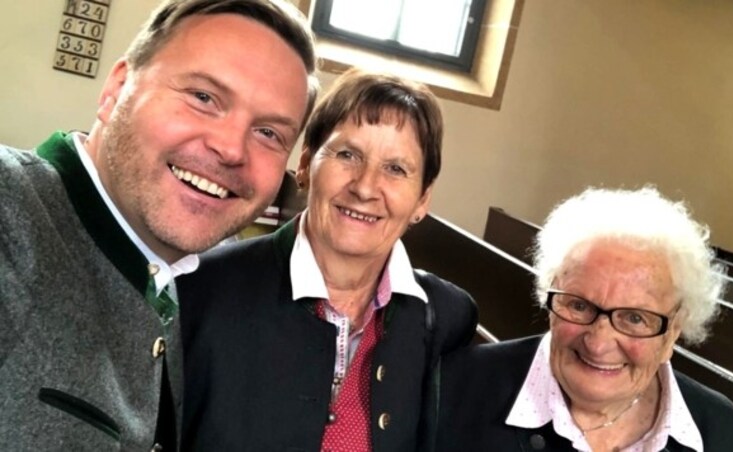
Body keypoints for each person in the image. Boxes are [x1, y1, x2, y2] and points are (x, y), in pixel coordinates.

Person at [0, 1, 317, 450]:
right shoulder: (12, 212)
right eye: (203, 97)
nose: (231, 148)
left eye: (269, 133)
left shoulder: (180, 284)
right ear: (116, 89)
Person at [178, 68, 478, 451]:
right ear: (305, 165)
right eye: (348, 154)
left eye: (396, 169)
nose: (366, 187)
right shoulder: (200, 289)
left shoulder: (448, 319)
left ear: (422, 200)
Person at [436, 187, 733, 451]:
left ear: (673, 332)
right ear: (551, 297)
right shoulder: (455, 388)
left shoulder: (725, 436)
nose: (598, 342)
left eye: (635, 318)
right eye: (579, 306)